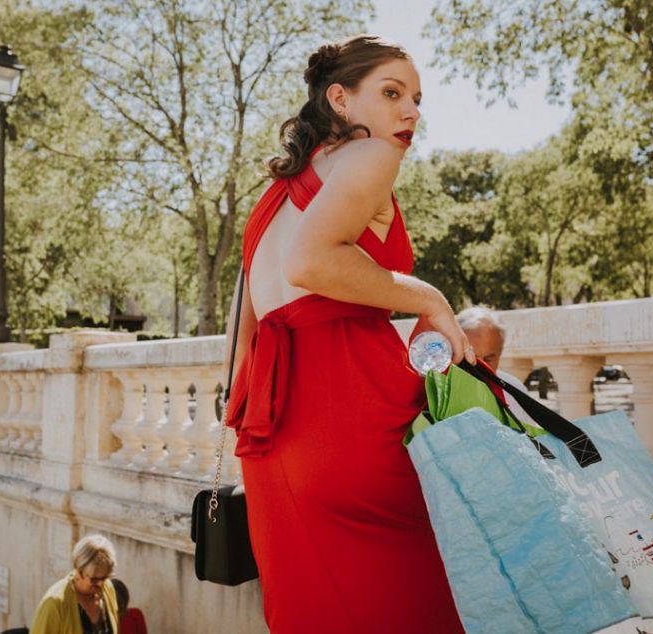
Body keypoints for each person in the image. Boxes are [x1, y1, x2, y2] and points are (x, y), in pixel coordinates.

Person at [224, 35, 473, 633]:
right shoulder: (372, 155)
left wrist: (244, 404)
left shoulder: (276, 193)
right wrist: (429, 298)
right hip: (351, 407)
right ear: (340, 98)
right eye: (391, 93)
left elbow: (245, 315)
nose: (410, 112)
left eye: (415, 97)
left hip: (271, 424)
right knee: (419, 596)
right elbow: (310, 264)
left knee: (312, 606)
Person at [457, 305, 535, 424]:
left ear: (500, 352)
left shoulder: (516, 392)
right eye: (471, 358)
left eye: (488, 359)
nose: (480, 367)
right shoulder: (436, 393)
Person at [30, 534, 119, 634]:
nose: (101, 584)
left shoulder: (108, 589)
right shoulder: (54, 604)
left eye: (105, 577)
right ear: (78, 572)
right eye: (94, 580)